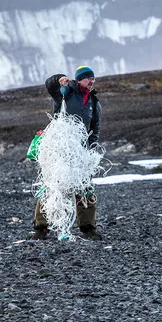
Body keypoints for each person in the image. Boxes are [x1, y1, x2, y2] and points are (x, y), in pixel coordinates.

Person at [31, 65, 103, 240]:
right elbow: (50, 85)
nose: (91, 81)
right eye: (87, 78)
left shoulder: (94, 102)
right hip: (60, 149)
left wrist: (90, 149)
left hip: (80, 152)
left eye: (92, 78)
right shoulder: (66, 93)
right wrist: (59, 78)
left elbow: (95, 128)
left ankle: (88, 228)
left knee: (85, 187)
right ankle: (41, 227)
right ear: (79, 79)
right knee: (52, 186)